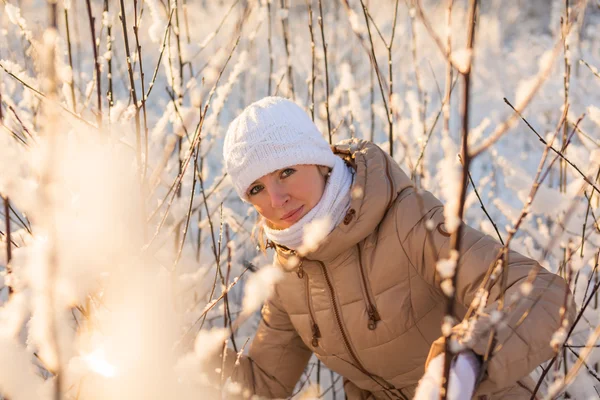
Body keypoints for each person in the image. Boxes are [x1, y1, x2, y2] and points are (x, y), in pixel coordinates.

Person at [218, 96, 575, 399]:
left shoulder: (407, 220)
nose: (277, 199)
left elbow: (541, 292)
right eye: (256, 189)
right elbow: (264, 384)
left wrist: (460, 364)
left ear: (318, 159)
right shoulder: (288, 276)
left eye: (285, 172)